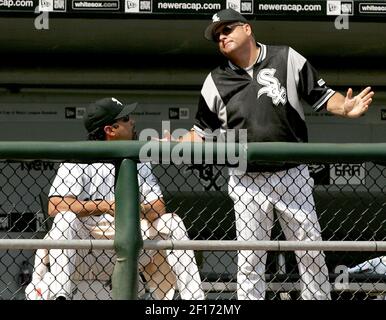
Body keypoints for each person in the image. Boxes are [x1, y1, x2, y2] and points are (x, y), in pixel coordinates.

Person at [169, 8, 374, 300]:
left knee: (310, 251)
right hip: (246, 179)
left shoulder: (286, 58)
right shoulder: (215, 80)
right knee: (251, 259)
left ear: (247, 29)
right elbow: (201, 133)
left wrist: (345, 107)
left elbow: (323, 96)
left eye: (227, 30)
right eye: (217, 36)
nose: (222, 37)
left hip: (292, 174)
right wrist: (175, 141)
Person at [27, 97, 204, 300]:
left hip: (132, 246)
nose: (133, 122)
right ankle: (61, 296)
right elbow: (55, 206)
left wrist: (135, 209)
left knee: (171, 222)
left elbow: (158, 208)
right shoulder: (78, 159)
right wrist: (106, 206)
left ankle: (195, 300)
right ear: (110, 130)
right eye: (126, 118)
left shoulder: (138, 159)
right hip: (87, 249)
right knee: (64, 219)